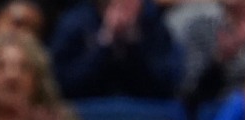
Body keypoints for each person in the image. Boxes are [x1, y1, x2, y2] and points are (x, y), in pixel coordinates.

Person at [48, 0, 182, 99]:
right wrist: (104, 44)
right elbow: (64, 84)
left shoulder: (152, 24)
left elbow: (166, 83)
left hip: (144, 108)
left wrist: (134, 45)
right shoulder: (74, 24)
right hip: (87, 109)